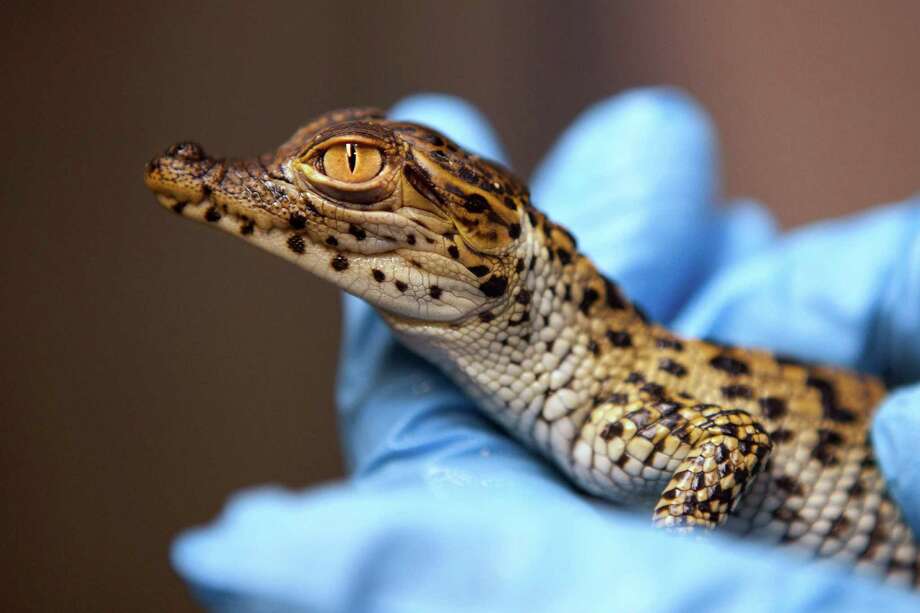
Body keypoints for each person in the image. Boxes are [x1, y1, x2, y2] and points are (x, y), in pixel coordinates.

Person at [171, 90, 920, 612]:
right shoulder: (592, 396)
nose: (272, 192)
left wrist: (668, 560)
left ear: (491, 242)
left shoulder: (610, 412)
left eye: (354, 170)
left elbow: (732, 437)